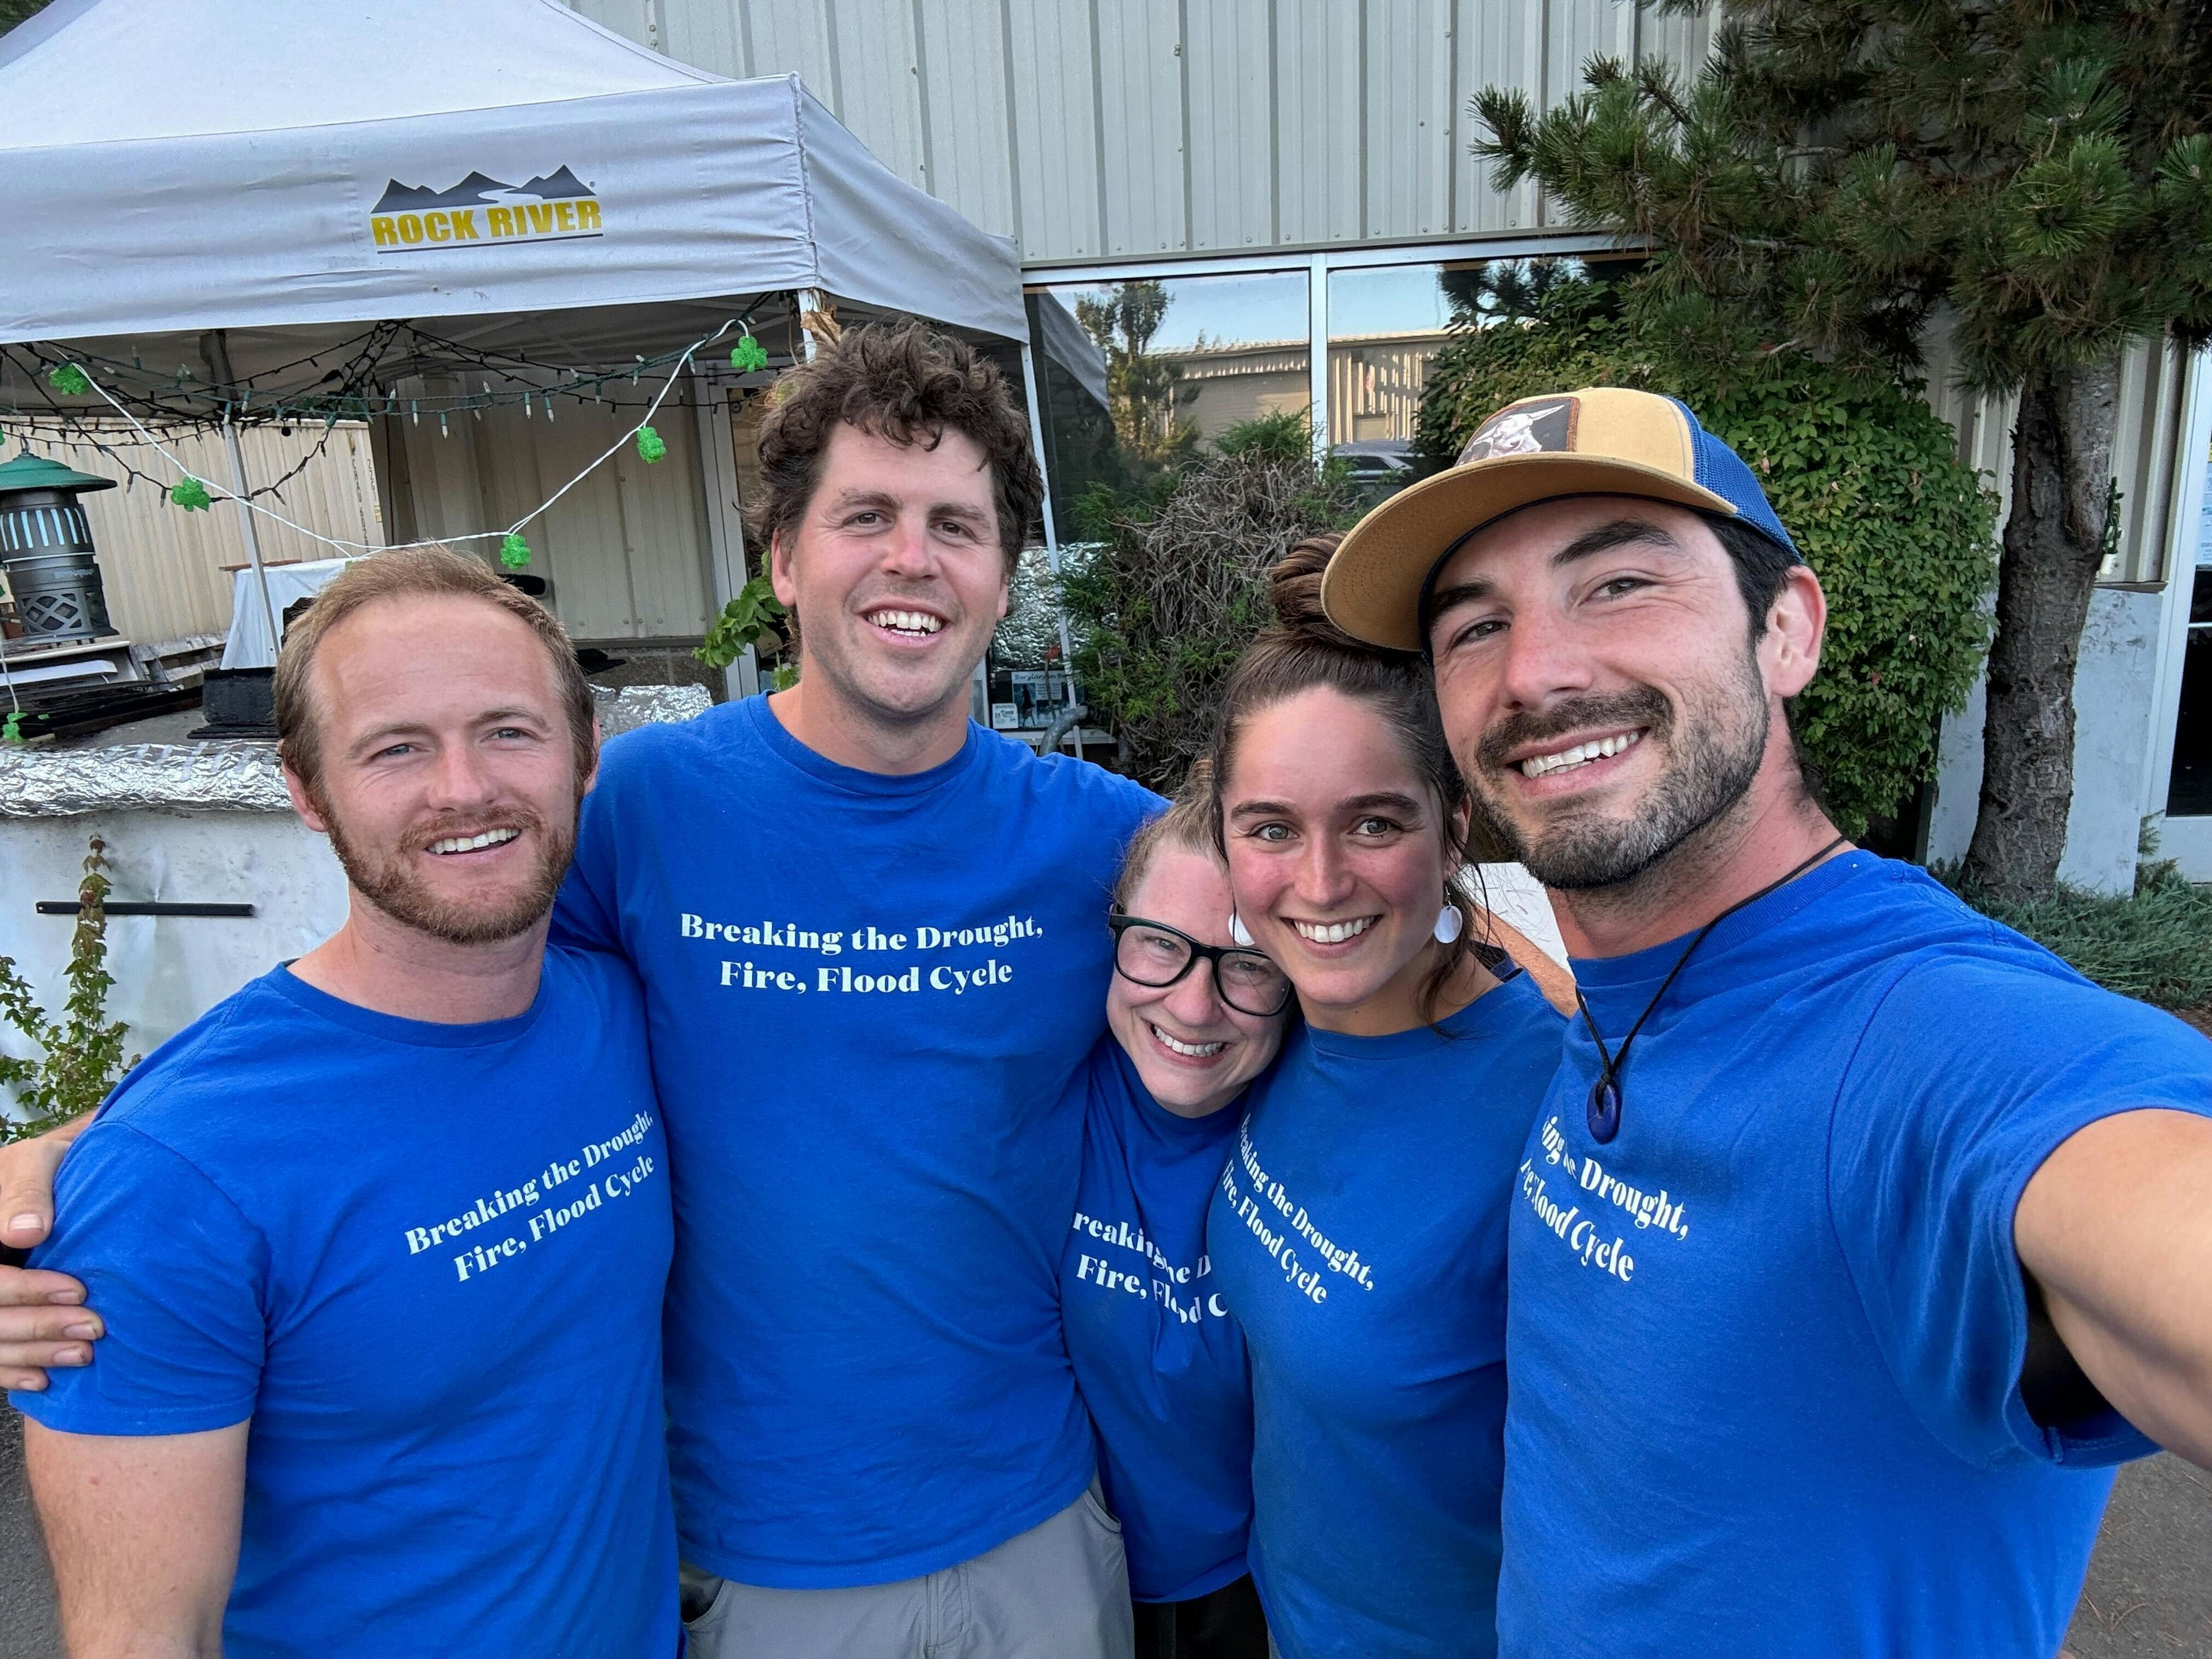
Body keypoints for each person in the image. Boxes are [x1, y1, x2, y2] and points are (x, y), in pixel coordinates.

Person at [1319, 384, 2212, 1656]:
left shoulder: (1929, 1039)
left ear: (1786, 632)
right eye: (1474, 628)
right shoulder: (1618, 992)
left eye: (1619, 584)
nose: (1536, 672)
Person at [5, 547, 676, 1657]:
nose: (463, 788)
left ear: (585, 755)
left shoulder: (618, 1002)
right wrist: (95, 1153)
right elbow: (140, 1636)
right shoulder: (171, 1185)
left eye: (508, 730)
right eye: (395, 748)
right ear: (306, 790)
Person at [1203, 537, 1567, 1659]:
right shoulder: (1263, 1020)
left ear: (1454, 826)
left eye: (1374, 823)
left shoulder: (1548, 1108)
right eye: (1270, 827)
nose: (1317, 885)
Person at [1063, 770, 1290, 1659]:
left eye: (1248, 964)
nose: (1195, 1006)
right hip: (1065, 1578)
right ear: (1114, 934)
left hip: (1258, 1593)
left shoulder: (1321, 1117)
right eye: (1161, 946)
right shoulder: (1049, 1090)